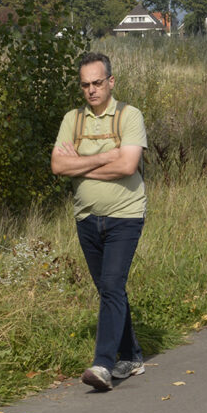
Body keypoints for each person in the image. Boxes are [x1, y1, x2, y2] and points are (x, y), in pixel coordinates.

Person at [51, 52, 148, 392]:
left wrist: (84, 161)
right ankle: (132, 355)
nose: (91, 90)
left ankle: (103, 365)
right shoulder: (72, 120)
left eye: (97, 83)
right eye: (85, 85)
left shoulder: (129, 116)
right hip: (87, 218)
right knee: (110, 289)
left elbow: (127, 166)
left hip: (125, 215)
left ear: (111, 82)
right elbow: (58, 167)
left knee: (110, 286)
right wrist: (109, 154)